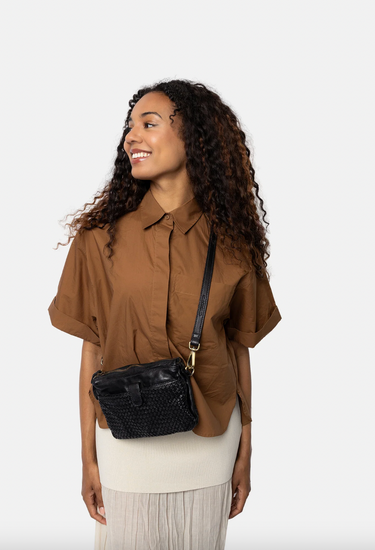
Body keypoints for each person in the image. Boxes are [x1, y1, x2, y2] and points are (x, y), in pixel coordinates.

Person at [48, 79, 282, 550]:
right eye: (129, 126)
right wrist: (87, 458)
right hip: (124, 442)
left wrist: (246, 450)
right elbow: (92, 350)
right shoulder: (98, 240)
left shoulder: (234, 245)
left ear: (193, 136)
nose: (131, 137)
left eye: (149, 124)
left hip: (210, 443)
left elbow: (238, 350)